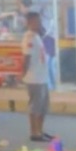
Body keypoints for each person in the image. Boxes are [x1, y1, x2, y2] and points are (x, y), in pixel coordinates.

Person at [22, 12, 52, 142]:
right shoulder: (29, 37)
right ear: (29, 23)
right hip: (34, 78)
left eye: (39, 21)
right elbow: (26, 58)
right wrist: (23, 74)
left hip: (42, 76)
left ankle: (40, 130)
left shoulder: (37, 36)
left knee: (43, 107)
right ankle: (34, 132)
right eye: (36, 21)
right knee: (35, 106)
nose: (39, 24)